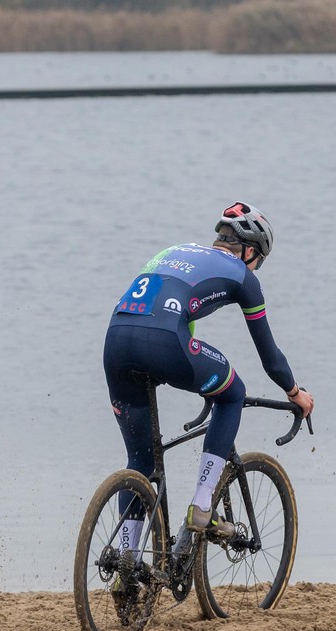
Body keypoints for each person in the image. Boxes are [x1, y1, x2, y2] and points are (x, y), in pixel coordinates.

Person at [103, 202, 314, 555]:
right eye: (260, 259)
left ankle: (127, 564)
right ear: (250, 251)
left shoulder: (174, 250)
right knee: (233, 394)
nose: (258, 266)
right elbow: (270, 357)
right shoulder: (244, 276)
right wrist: (295, 392)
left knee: (140, 462)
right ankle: (202, 506)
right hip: (166, 343)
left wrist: (199, 379)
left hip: (115, 341)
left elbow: (179, 320)